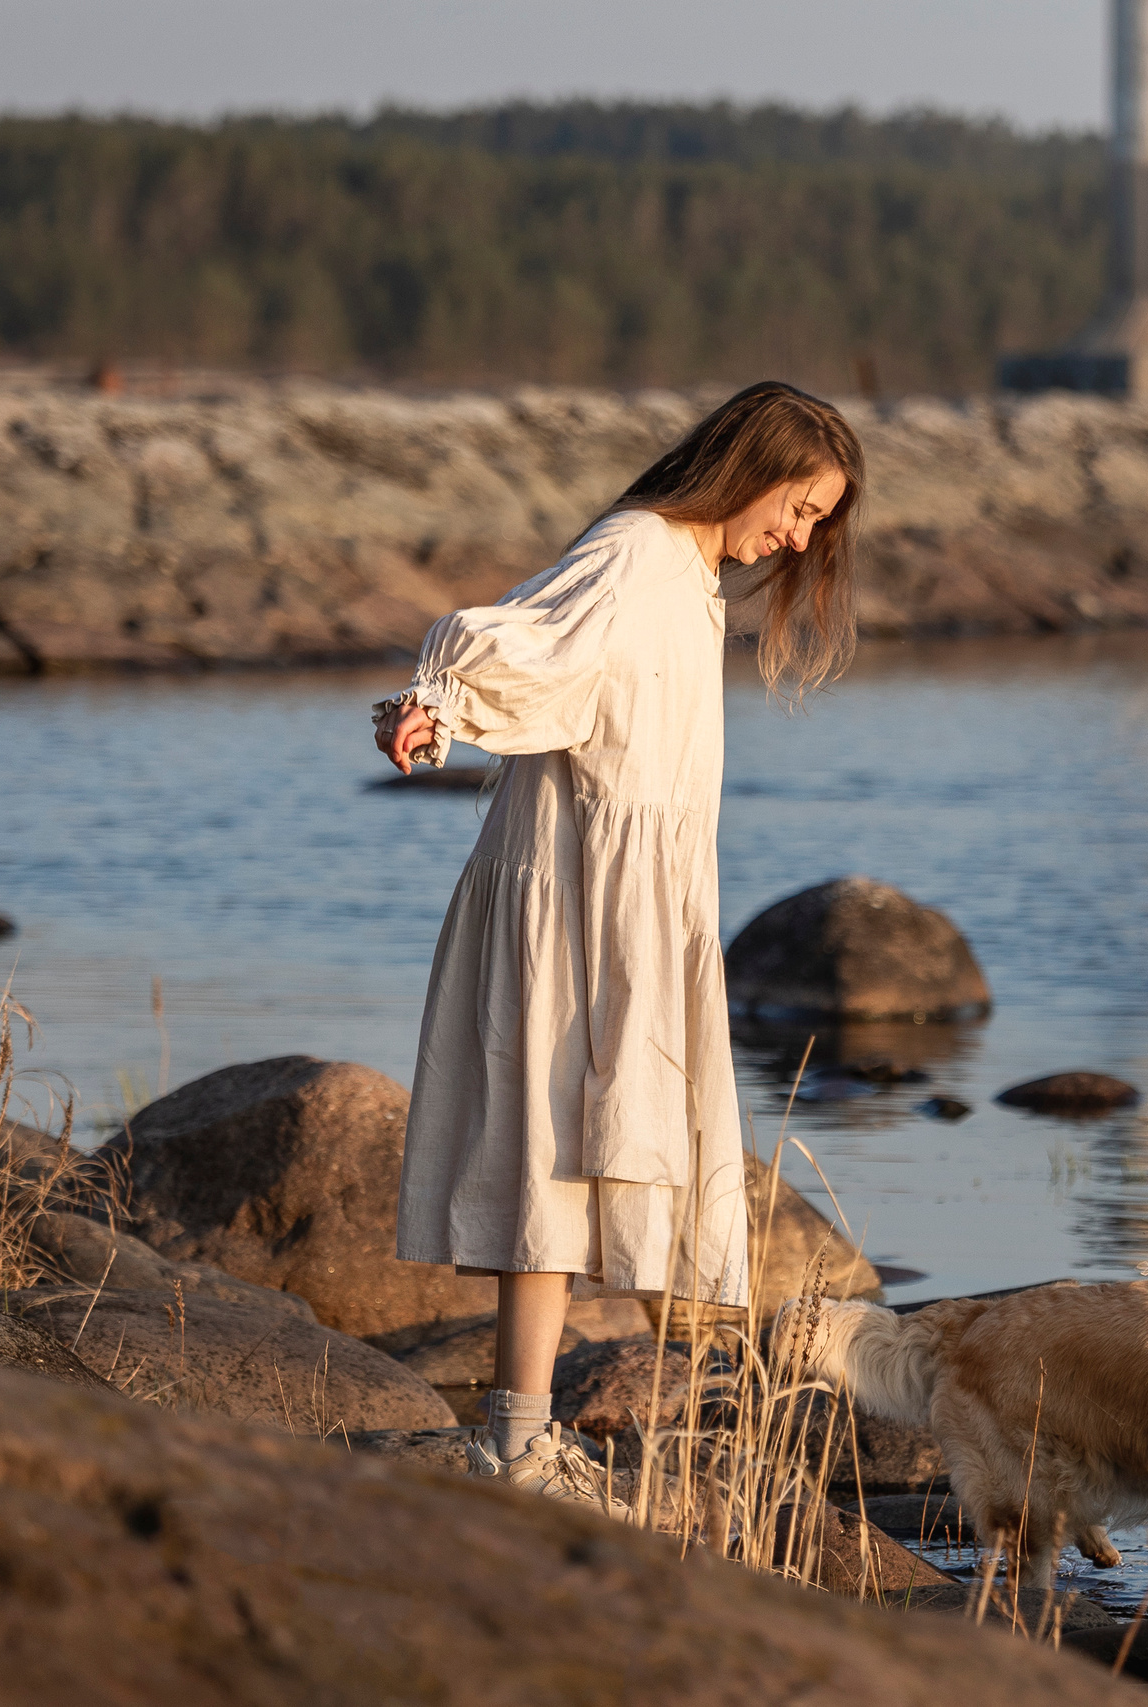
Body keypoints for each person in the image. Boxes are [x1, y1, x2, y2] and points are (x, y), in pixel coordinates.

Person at [372, 381, 862, 1510]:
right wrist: (433, 699)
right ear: (751, 468)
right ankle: (517, 1444)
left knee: (571, 1157)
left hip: (621, 892)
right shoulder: (639, 555)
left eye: (815, 526)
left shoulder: (681, 577)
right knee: (549, 1154)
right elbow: (527, 643)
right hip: (580, 894)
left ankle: (519, 1434)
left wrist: (434, 702)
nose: (798, 539)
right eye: (799, 508)